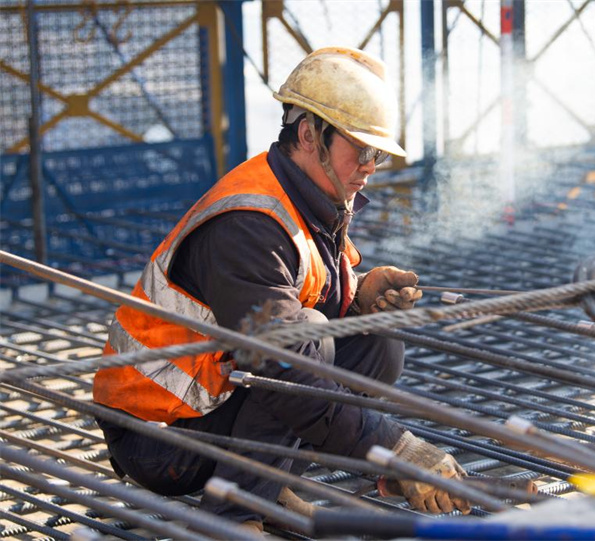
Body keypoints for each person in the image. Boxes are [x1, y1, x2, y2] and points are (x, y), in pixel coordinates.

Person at [92, 46, 471, 531]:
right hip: (158, 435)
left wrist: (357, 297)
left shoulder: (307, 198)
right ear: (310, 135)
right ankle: (234, 518)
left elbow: (293, 299)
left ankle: (269, 489)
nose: (371, 166)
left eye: (377, 154)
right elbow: (283, 366)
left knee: (376, 343)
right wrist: (399, 450)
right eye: (362, 149)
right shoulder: (248, 224)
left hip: (213, 408)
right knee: (303, 344)